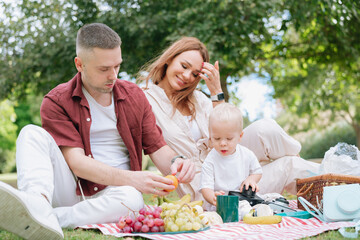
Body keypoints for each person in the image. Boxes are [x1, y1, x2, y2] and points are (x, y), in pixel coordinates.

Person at [0, 23, 195, 240]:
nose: (113, 75)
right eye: (103, 69)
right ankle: (37, 202)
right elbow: (77, 163)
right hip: (73, 189)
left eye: (117, 66)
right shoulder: (57, 101)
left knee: (132, 199)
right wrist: (133, 178)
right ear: (79, 64)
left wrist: (177, 162)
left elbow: (158, 148)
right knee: (30, 133)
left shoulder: (134, 96)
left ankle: (47, 217)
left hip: (117, 195)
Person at [141, 36, 319, 201]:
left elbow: (227, 128)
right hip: (207, 187)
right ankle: (333, 183)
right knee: (290, 165)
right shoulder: (145, 99)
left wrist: (216, 92)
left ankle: (329, 176)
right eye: (184, 66)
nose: (187, 76)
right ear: (169, 59)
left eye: (195, 74)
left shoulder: (199, 99)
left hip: (227, 158)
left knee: (266, 128)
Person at [200, 103, 262, 210]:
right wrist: (213, 197)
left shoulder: (246, 154)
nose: (223, 143)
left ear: (240, 137)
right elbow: (206, 188)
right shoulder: (210, 160)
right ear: (210, 138)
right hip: (221, 203)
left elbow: (257, 171)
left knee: (265, 202)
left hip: (243, 199)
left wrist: (251, 179)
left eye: (229, 139)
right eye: (217, 138)